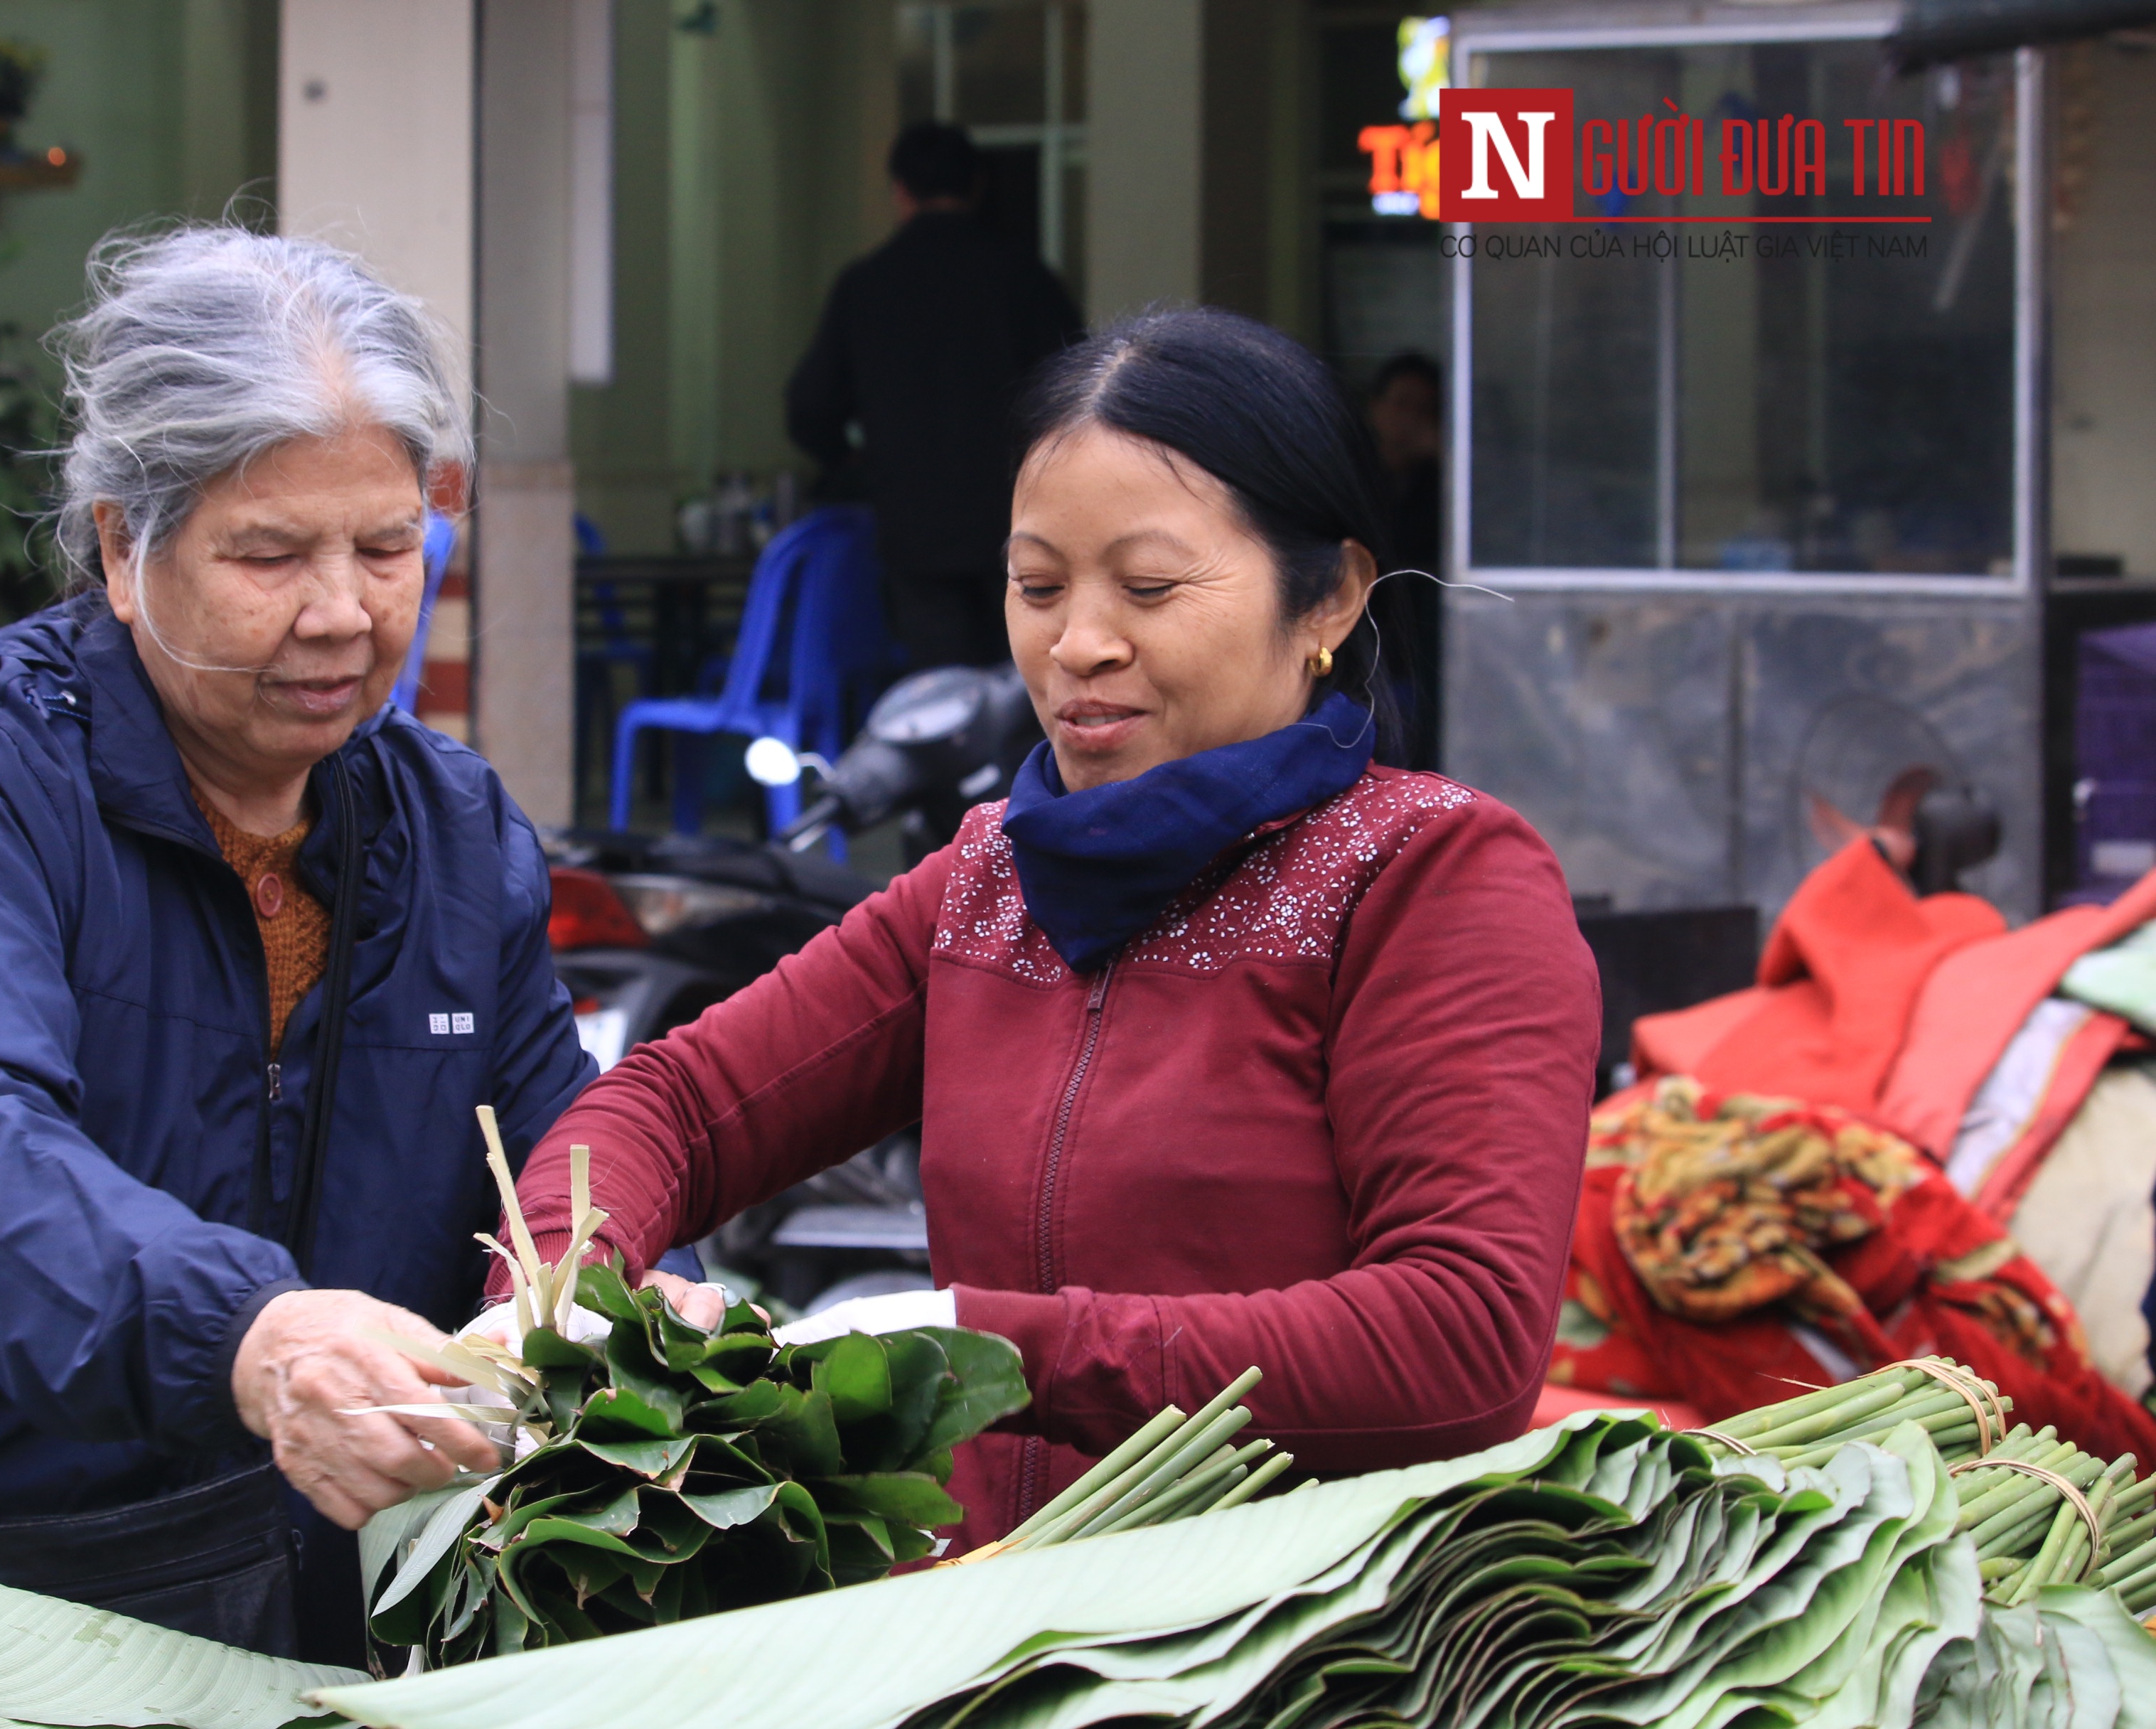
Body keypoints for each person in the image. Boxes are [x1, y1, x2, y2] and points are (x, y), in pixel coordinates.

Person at [0, 228, 599, 1665]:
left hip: (221, 1612)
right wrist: (254, 1335)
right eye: (270, 553)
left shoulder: (454, 836)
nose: (346, 611)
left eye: (388, 546)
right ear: (125, 547)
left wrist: (604, 1282)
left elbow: (557, 1146)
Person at [496, 309, 1600, 1549]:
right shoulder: (986, 883)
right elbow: (670, 1106)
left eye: (1147, 587)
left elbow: (1458, 1341)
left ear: (1328, 598)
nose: (1077, 644)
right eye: (1036, 586)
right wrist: (562, 1293)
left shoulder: (1431, 879)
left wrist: (971, 1342)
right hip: (990, 1642)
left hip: (1291, 1648)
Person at [787, 120, 1085, 675]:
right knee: (1029, 687)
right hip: (1021, 518)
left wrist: (851, 461)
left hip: (915, 523)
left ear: (900, 192)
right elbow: (1080, 391)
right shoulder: (1025, 278)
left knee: (941, 697)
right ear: (976, 186)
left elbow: (810, 409)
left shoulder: (868, 284)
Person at [1363, 352, 1444, 769]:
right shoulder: (1354, 476)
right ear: (1375, 407)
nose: (1409, 420)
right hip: (1360, 648)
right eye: (1401, 405)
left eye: (1424, 411)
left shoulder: (1444, 488)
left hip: (1424, 648)